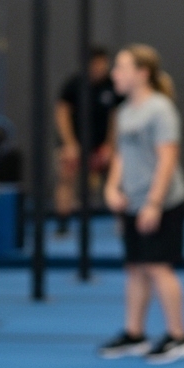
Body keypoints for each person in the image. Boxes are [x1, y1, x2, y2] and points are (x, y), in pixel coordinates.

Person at [97, 45, 184, 364]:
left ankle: (179, 336)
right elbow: (121, 155)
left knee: (158, 267)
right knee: (135, 267)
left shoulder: (160, 109)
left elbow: (168, 159)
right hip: (133, 202)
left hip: (162, 202)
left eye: (121, 67)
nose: (114, 74)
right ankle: (134, 334)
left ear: (142, 73)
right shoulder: (125, 110)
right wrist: (113, 187)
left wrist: (154, 204)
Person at [54, 45, 124, 236]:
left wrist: (110, 146)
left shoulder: (113, 86)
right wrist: (69, 144)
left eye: (102, 63)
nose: (98, 67)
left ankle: (124, 224)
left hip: (102, 146)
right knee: (66, 180)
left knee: (118, 179)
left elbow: (115, 117)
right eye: (94, 63)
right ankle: (62, 225)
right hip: (75, 146)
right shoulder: (73, 84)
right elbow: (62, 114)